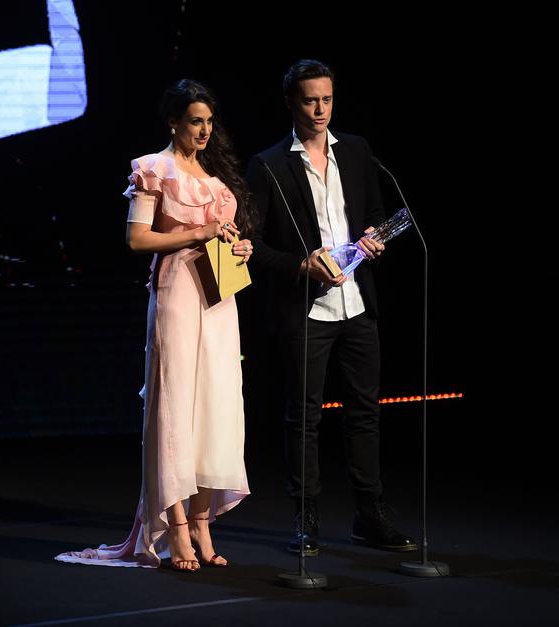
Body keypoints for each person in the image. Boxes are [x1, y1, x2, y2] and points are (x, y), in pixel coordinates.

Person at [56, 79, 253, 571]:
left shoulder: (216, 181)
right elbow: (137, 240)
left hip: (219, 298)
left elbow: (221, 238)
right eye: (195, 121)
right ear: (173, 122)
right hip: (177, 294)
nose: (204, 131)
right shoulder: (154, 170)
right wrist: (198, 231)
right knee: (175, 405)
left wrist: (237, 247)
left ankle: (203, 521)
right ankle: (176, 526)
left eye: (209, 122)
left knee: (217, 403)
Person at [246, 59, 416, 555]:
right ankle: (306, 517)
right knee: (304, 417)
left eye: (327, 99)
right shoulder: (269, 164)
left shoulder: (357, 150)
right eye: (309, 100)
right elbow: (253, 246)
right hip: (306, 309)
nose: (320, 109)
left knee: (365, 412)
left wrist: (375, 237)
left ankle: (370, 513)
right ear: (290, 103)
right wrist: (302, 265)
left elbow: (376, 213)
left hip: (357, 302)